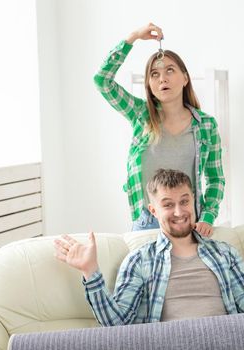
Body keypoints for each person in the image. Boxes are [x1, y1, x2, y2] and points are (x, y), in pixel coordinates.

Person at [54, 169, 244, 326]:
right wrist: (90, 271)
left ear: (193, 200)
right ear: (153, 210)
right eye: (168, 204)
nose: (179, 212)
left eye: (184, 201)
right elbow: (117, 324)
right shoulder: (139, 260)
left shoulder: (224, 253)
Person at [94, 23, 225, 236]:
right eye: (154, 74)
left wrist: (208, 216)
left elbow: (215, 178)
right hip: (148, 221)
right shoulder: (140, 114)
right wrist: (133, 37)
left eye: (169, 70)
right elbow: (102, 81)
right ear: (149, 85)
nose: (162, 78)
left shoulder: (206, 125)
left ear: (185, 78)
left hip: (190, 221)